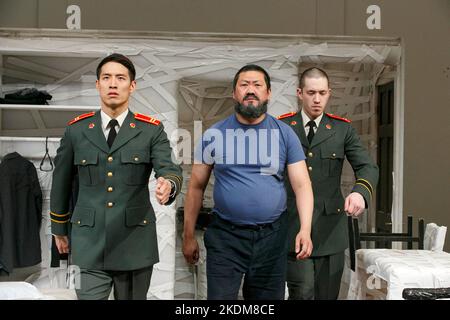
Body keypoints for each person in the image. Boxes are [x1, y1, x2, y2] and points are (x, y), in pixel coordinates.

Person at [49, 53, 182, 300]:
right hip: (87, 243)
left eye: (120, 78)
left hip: (134, 244)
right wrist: (59, 229)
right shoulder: (76, 130)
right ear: (97, 84)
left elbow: (170, 169)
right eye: (106, 77)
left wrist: (168, 185)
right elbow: (61, 182)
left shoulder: (150, 130)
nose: (113, 83)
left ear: (132, 86)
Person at [182, 64, 314, 300]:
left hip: (272, 239)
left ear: (268, 93)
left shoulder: (285, 134)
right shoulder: (214, 135)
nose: (250, 90)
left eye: (257, 85)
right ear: (234, 93)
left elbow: (302, 185)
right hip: (225, 239)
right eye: (244, 85)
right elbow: (196, 187)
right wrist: (188, 235)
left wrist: (305, 229)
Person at [277, 67, 379, 300]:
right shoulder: (282, 127)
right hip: (292, 225)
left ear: (329, 93)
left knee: (327, 296)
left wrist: (360, 193)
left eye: (322, 93)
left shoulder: (342, 129)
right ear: (299, 93)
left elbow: (367, 167)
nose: (317, 99)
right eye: (311, 92)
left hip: (330, 229)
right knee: (301, 293)